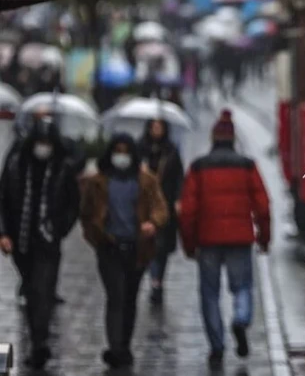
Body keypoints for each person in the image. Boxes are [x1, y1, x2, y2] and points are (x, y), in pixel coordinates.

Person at [179, 110, 271, 370]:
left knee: (209, 293)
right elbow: (263, 207)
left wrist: (188, 244)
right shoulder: (247, 165)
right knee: (242, 286)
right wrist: (264, 238)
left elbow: (187, 211)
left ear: (212, 138)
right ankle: (241, 319)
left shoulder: (198, 167)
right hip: (240, 238)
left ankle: (217, 346)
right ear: (232, 139)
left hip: (207, 240)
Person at [80, 134, 168, 369]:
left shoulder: (146, 180)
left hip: (136, 248)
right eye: (117, 150)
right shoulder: (99, 181)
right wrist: (95, 237)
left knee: (129, 299)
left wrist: (153, 224)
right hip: (109, 248)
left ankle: (124, 345)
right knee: (116, 297)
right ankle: (116, 348)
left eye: (125, 151)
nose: (121, 156)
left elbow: (160, 207)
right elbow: (86, 213)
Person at [0, 117, 80, 369]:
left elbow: (72, 204)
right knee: (32, 290)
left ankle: (39, 342)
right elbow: (2, 201)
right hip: (20, 241)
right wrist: (3, 233)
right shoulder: (14, 166)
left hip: (47, 242)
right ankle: (37, 339)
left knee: (42, 291)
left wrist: (58, 229)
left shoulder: (62, 169)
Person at [139, 119, 184, 305]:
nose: (156, 130)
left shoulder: (171, 150)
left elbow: (179, 177)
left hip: (164, 204)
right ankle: (154, 279)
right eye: (153, 127)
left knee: (161, 247)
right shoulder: (140, 149)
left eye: (160, 127)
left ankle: (157, 281)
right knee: (148, 244)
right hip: (143, 205)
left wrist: (178, 200)